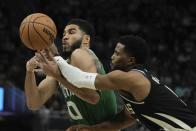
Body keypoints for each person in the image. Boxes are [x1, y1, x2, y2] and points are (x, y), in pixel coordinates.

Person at [36, 35, 196, 131]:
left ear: (131, 60)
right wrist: (91, 129)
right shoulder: (134, 86)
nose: (112, 56)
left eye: (117, 53)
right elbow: (121, 121)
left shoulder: (130, 78)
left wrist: (56, 59)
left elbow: (80, 79)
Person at [24, 19, 117, 128]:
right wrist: (29, 71)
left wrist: (57, 70)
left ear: (86, 40)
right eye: (64, 34)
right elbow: (34, 103)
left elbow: (93, 98)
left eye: (71, 32)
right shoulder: (60, 68)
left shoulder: (81, 54)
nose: (65, 37)